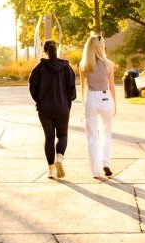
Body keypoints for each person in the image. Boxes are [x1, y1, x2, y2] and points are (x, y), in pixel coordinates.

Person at [28, 39, 77, 179]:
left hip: (45, 109)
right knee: (62, 135)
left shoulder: (39, 68)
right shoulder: (67, 68)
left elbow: (32, 87)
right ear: (57, 49)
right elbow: (72, 90)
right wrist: (68, 100)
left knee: (49, 138)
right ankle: (59, 159)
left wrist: (39, 100)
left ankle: (51, 171)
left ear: (45, 50)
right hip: (62, 108)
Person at [80, 34, 117, 179]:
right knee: (106, 133)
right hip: (106, 97)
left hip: (91, 98)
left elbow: (83, 87)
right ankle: (105, 162)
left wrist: (84, 104)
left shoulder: (84, 65)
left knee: (92, 136)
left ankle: (95, 171)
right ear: (101, 47)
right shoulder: (109, 64)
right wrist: (115, 104)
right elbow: (112, 86)